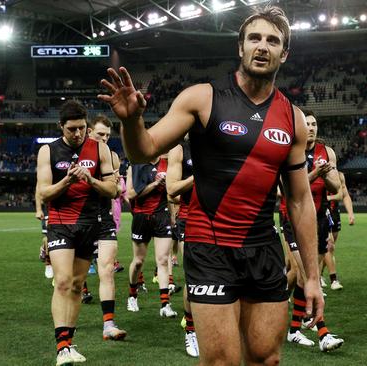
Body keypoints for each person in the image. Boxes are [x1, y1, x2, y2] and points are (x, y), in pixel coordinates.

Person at [98, 6, 325, 364]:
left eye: (272, 40)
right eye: (254, 38)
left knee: (267, 358)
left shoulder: (293, 118)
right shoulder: (201, 98)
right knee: (221, 361)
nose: (262, 46)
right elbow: (144, 151)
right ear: (240, 48)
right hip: (210, 247)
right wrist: (131, 122)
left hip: (263, 248)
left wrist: (312, 277)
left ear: (285, 53)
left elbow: (299, 201)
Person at [36, 100, 118, 365]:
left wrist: (90, 180)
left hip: (89, 224)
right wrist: (68, 180)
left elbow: (113, 190)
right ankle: (61, 348)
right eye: (72, 129)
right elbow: (44, 193)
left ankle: (69, 344)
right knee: (62, 281)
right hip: (61, 223)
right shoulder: (48, 151)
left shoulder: (100, 149)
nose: (78, 133)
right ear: (61, 126)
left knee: (76, 285)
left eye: (82, 128)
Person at [280, 110, 343, 352]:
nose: (312, 127)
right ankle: (323, 333)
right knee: (308, 276)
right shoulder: (288, 150)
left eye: (314, 123)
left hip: (317, 219)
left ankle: (294, 330)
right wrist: (314, 173)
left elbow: (336, 186)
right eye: (307, 124)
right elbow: (286, 191)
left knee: (302, 278)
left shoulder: (327, 152)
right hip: (293, 218)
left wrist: (326, 175)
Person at [87, 115, 127, 340]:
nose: (104, 138)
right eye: (100, 134)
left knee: (107, 270)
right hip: (79, 219)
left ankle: (108, 325)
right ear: (90, 131)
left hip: (104, 217)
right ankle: (65, 333)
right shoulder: (79, 154)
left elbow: (114, 190)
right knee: (71, 280)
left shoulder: (113, 157)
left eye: (107, 135)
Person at [125, 154, 177, 318]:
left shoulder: (167, 164)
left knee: (162, 260)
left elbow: (170, 193)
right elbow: (131, 194)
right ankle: (132, 295)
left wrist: (173, 216)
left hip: (162, 215)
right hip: (141, 217)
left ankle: (165, 304)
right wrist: (155, 184)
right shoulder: (135, 165)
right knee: (138, 261)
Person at [166, 137, 199, 357]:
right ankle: (191, 331)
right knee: (195, 277)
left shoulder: (218, 142)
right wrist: (199, 176)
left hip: (220, 218)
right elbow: (172, 189)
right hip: (191, 218)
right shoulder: (179, 150)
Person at [323, 171, 354, 290]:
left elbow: (344, 195)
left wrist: (350, 213)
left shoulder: (340, 175)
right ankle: (333, 279)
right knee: (329, 246)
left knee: (328, 248)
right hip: (322, 211)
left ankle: (319, 275)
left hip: (334, 213)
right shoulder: (319, 172)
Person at [35, 190, 53, 279]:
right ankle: (48, 261)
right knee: (48, 237)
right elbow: (39, 190)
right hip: (50, 209)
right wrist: (38, 209)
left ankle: (43, 248)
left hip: (68, 208)